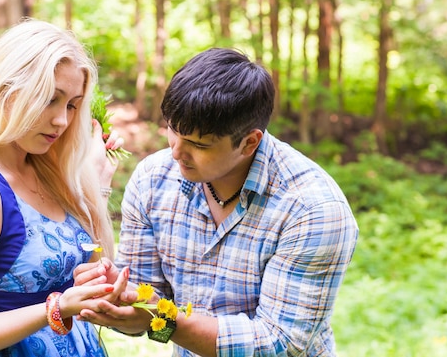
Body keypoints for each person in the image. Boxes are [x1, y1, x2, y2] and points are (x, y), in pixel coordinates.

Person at [74, 47, 359, 357]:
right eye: (173, 130)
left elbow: (278, 344)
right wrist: (121, 298)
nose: (176, 152)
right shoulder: (153, 181)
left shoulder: (312, 209)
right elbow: (146, 303)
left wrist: (161, 318)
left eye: (198, 144)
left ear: (250, 142)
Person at [0, 19, 129, 357]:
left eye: (71, 104)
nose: (62, 121)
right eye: (50, 99)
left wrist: (97, 186)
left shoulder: (43, 165)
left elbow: (89, 273)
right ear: (8, 91)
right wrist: (54, 309)